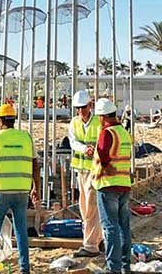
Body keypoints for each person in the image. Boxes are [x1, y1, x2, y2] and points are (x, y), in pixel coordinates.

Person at [0, 103, 40, 274]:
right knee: (21, 231)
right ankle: (24, 268)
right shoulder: (26, 137)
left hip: (1, 191)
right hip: (21, 191)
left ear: (0, 121)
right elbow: (35, 165)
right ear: (13, 120)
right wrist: (36, 188)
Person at [92, 98, 133, 274]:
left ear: (102, 117)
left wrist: (106, 167)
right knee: (124, 226)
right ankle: (125, 266)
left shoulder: (107, 132)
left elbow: (103, 153)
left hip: (108, 185)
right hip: (124, 184)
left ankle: (113, 267)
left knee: (110, 227)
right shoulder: (123, 132)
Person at [68, 89, 103, 258]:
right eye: (78, 108)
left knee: (91, 207)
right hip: (80, 169)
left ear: (90, 105)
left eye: (84, 107)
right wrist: (84, 148)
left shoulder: (98, 122)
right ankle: (97, 238)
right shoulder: (75, 122)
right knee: (84, 207)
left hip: (95, 170)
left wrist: (93, 150)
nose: (81, 111)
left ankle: (90, 245)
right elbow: (73, 141)